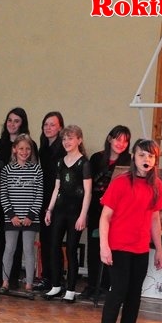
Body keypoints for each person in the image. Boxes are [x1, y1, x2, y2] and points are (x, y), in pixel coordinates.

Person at [97, 139, 162, 323]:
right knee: (118, 292)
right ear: (134, 157)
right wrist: (104, 246)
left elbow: (155, 219)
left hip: (141, 249)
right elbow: (105, 217)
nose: (146, 159)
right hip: (119, 247)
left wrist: (159, 250)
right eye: (142, 155)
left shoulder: (157, 185)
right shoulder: (121, 182)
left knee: (134, 295)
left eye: (151, 156)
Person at [80, 125, 131, 301]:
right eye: (118, 139)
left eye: (125, 141)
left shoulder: (129, 162)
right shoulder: (97, 158)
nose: (121, 144)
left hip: (116, 211)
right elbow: (88, 185)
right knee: (93, 247)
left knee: (111, 247)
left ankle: (106, 286)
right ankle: (92, 284)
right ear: (110, 139)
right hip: (96, 208)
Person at [44, 125, 92, 302]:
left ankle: (71, 289)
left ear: (79, 140)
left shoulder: (84, 163)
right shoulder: (60, 162)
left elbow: (88, 192)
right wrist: (49, 209)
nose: (66, 142)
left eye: (70, 138)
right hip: (59, 210)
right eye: (64, 139)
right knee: (54, 246)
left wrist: (83, 215)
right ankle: (56, 285)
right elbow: (57, 188)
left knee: (71, 249)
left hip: (75, 212)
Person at [0, 107, 37, 289]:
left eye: (16, 121)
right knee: (5, 244)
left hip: (26, 207)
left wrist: (31, 213)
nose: (12, 124)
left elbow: (37, 185)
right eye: (9, 120)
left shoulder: (31, 149)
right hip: (6, 203)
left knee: (24, 247)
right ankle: (0, 279)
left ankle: (16, 279)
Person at [0, 134, 43, 295]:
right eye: (21, 148)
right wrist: (12, 215)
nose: (24, 152)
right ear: (14, 149)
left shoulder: (36, 170)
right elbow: (4, 194)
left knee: (28, 249)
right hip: (12, 218)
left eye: (28, 149)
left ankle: (29, 284)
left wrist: (30, 216)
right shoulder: (7, 170)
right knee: (9, 248)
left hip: (30, 218)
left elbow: (39, 194)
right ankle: (5, 282)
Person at [36, 111, 66, 290]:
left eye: (52, 124)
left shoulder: (62, 149)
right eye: (46, 124)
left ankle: (57, 279)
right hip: (44, 197)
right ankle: (47, 277)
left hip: (58, 200)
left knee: (55, 241)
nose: (48, 128)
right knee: (45, 240)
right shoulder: (43, 148)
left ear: (60, 127)